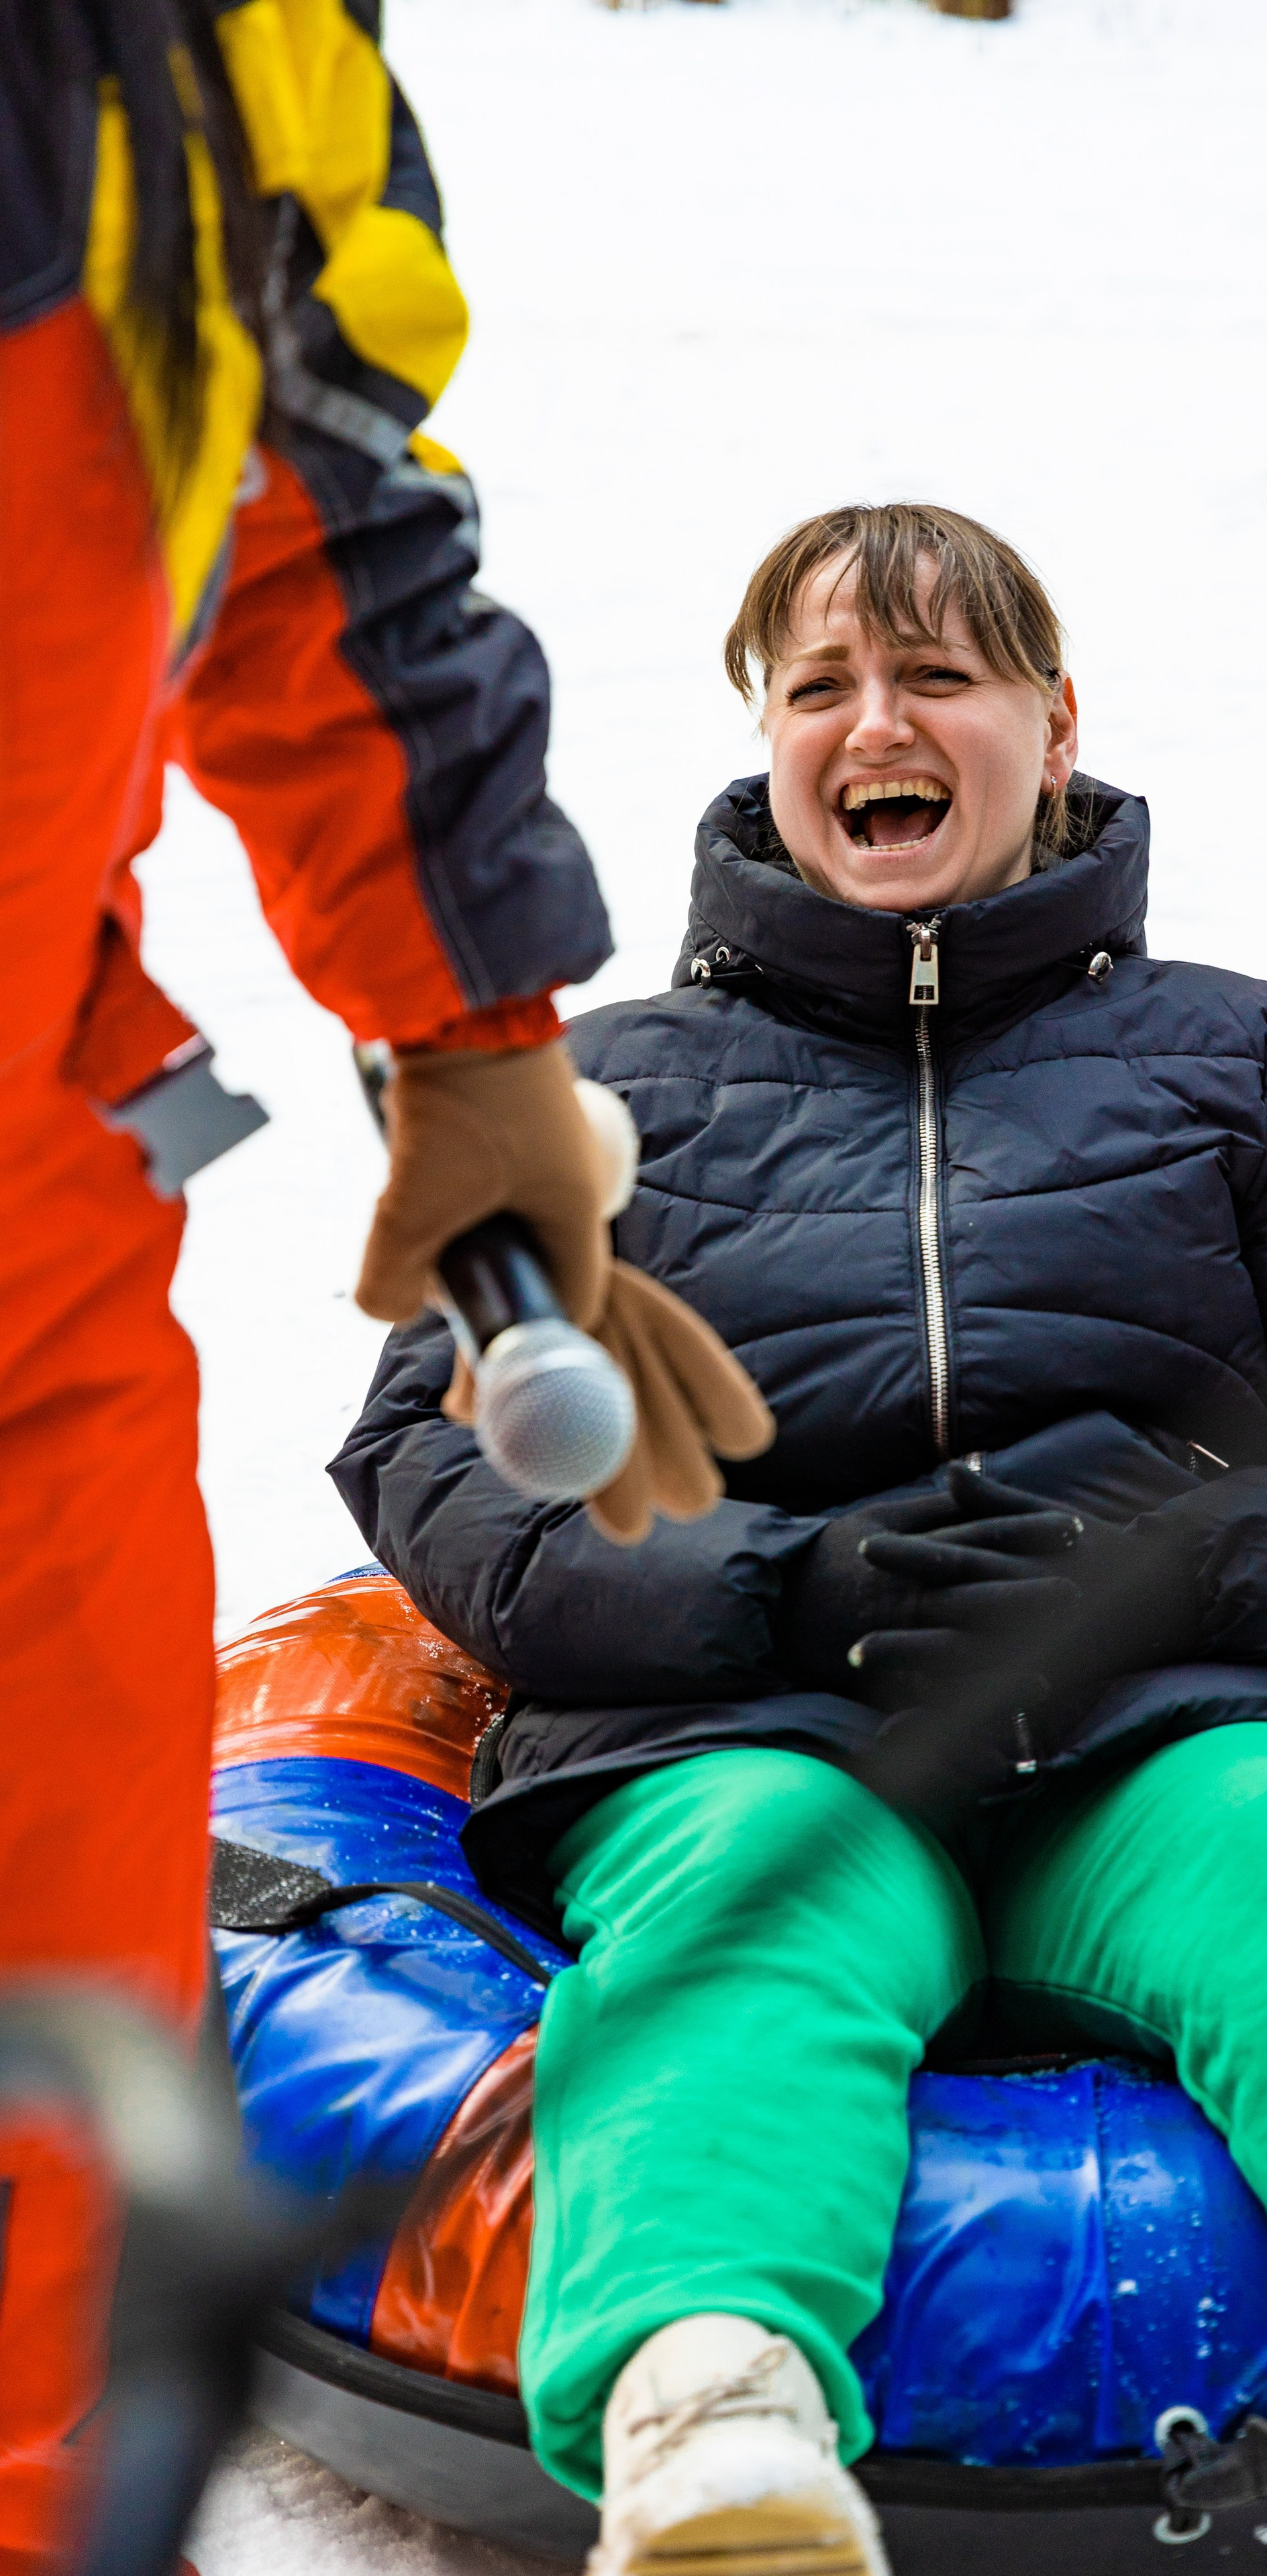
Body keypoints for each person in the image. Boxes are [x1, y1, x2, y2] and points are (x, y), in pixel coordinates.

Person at [334, 502, 1267, 2576]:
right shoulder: (609, 1091)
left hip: (1171, 1710)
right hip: (766, 1724)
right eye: (820, 686)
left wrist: (1189, 1570)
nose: (873, 722)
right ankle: (712, 2423)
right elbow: (434, 1458)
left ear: (1048, 724)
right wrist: (771, 1591)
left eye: (935, 676)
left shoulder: (1235, 1050)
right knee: (733, 1924)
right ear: (767, 736)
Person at [0, 4, 762, 2562]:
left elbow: (317, 498)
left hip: (26, 1238)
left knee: (57, 2105)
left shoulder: (232, 47)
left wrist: (464, 1038)